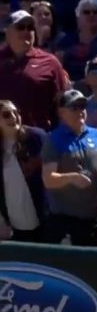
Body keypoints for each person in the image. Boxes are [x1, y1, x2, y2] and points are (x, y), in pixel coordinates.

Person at [41, 90, 97, 246]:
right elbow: (48, 179)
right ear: (61, 113)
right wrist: (72, 178)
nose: (80, 112)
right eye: (74, 108)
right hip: (67, 221)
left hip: (96, 219)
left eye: (82, 107)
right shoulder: (54, 139)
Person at [0, 10, 69, 131]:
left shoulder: (50, 62)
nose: (27, 31)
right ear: (7, 31)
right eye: (21, 27)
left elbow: (62, 102)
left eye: (30, 27)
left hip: (38, 136)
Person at [0, 100, 47, 242]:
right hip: (14, 223)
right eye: (7, 115)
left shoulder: (36, 137)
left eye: (16, 113)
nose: (14, 117)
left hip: (44, 218)